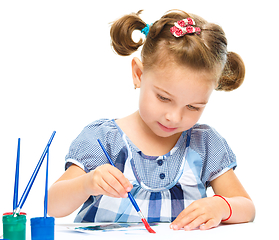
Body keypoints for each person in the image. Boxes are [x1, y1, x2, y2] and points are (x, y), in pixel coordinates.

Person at [48, 10, 255, 231]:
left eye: (193, 107)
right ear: (139, 74)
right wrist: (86, 184)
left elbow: (247, 208)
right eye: (163, 98)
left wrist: (221, 206)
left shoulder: (204, 144)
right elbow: (52, 205)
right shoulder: (104, 139)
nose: (174, 117)